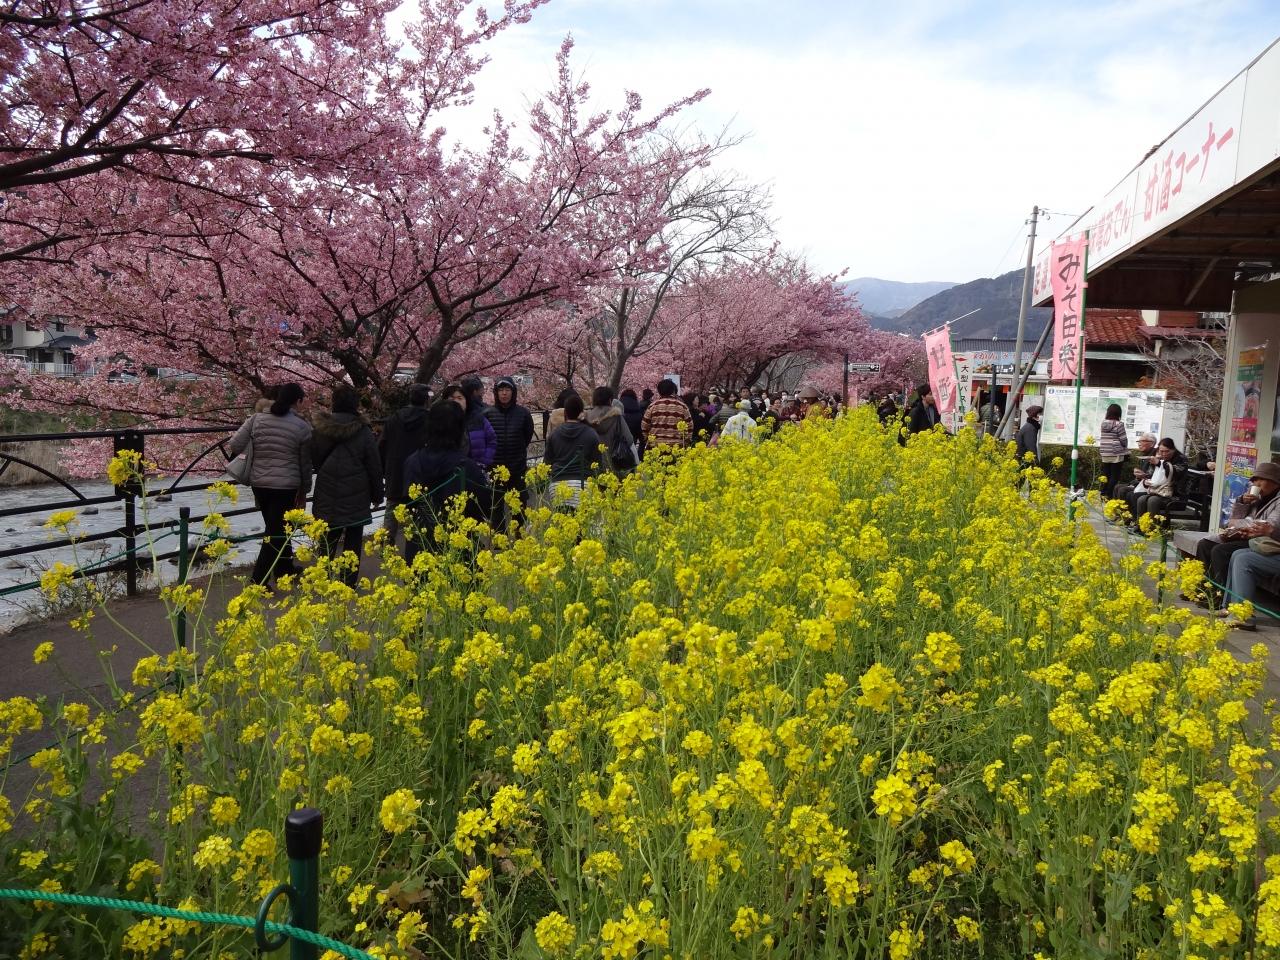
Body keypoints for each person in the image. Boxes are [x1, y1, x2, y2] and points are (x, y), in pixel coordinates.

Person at [228, 382, 313, 587]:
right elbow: (305, 463)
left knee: (276, 528)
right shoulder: (302, 427)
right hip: (286, 486)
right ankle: (257, 582)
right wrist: (305, 490)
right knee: (275, 533)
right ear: (298, 401)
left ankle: (284, 569)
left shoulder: (256, 419)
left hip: (259, 483)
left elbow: (235, 444)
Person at [402, 401, 496, 561]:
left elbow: (407, 506)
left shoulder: (412, 462)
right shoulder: (466, 467)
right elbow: (484, 508)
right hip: (459, 550)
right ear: (459, 429)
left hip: (420, 550)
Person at [311, 385, 383, 585]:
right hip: (357, 491)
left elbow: (315, 459)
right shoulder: (364, 431)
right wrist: (378, 495)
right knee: (353, 536)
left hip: (327, 487)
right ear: (355, 404)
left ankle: (322, 579)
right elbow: (374, 466)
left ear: (333, 402)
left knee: (328, 536)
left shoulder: (319, 430)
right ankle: (348, 581)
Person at [1194, 461, 1280, 602]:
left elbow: (1269, 526)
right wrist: (1242, 503)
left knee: (1220, 551)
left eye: (1261, 480)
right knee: (1204, 544)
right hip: (1243, 535)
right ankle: (1201, 591)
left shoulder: (1278, 500)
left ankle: (1218, 597)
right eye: (1255, 480)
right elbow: (1232, 520)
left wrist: (1240, 524)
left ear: (1275, 481)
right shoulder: (1257, 498)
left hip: (1262, 542)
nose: (1257, 484)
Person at [379, 383, 431, 549]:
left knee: (392, 508)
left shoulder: (394, 418)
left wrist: (385, 469)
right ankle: (416, 549)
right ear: (427, 400)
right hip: (420, 472)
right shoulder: (429, 419)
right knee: (419, 512)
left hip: (395, 471)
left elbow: (382, 445)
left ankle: (386, 547)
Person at [544, 393, 606, 509]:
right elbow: (598, 464)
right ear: (581, 412)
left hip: (558, 486)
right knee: (583, 520)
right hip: (583, 485)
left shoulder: (554, 434)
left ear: (565, 412)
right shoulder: (591, 433)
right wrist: (602, 487)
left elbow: (547, 463)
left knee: (562, 519)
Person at [485, 376, 536, 508]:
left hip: (517, 468)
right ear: (496, 393)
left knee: (519, 507)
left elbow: (527, 435)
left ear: (513, 392)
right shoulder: (488, 413)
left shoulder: (523, 413)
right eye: (501, 390)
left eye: (507, 390)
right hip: (495, 469)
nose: (504, 393)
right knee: (495, 507)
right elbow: (485, 439)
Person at [1126, 437, 1188, 524]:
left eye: (1167, 451)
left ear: (1173, 450)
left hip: (1174, 494)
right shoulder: (1160, 459)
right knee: (1140, 498)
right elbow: (1153, 476)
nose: (1164, 454)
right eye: (1161, 451)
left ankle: (1152, 526)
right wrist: (1144, 477)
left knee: (1152, 500)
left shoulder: (1180, 458)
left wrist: (1159, 463)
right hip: (1158, 491)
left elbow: (1175, 474)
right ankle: (1139, 524)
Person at [585, 385, 636, 475]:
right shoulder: (616, 417)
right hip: (613, 465)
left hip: (591, 466)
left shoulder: (585, 418)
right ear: (610, 400)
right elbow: (629, 439)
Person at [457, 376, 498, 470]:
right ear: (475, 391)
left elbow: (492, 439)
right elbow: (493, 439)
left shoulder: (479, 414)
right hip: (475, 465)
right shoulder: (485, 411)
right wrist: (485, 460)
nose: (483, 392)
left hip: (466, 465)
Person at [643, 378, 693, 449]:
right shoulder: (683, 407)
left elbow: (644, 426)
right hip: (677, 447)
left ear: (659, 391)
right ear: (673, 390)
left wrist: (648, 440)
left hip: (655, 447)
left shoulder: (652, 406)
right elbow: (690, 426)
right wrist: (686, 442)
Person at [1113, 433, 1158, 506]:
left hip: (1148, 485)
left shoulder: (1154, 455)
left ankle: (1125, 512)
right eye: (1138, 441)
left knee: (1123, 490)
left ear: (1152, 444)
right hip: (1141, 482)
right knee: (1117, 487)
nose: (1139, 444)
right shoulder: (1145, 454)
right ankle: (1117, 510)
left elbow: (1153, 474)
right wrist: (1138, 473)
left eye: (1142, 441)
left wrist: (1142, 476)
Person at [1098, 403, 1129, 499]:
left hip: (1105, 452)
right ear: (1119, 413)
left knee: (1106, 474)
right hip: (1116, 452)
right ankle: (1109, 494)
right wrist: (1125, 447)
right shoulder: (1119, 424)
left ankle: (1103, 492)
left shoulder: (1103, 424)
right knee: (1114, 476)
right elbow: (1123, 439)